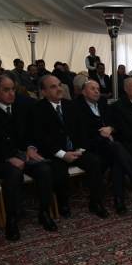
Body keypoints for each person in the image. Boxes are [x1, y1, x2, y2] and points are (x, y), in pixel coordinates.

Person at [0, 75, 57, 240]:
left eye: (13, 89)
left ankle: (44, 212)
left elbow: (33, 131)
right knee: (13, 174)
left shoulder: (23, 104)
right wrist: (8, 157)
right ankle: (12, 219)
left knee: (44, 169)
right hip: (0, 157)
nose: (11, 93)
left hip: (23, 152)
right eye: (6, 90)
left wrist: (30, 147)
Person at [74, 80, 132, 214]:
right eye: (92, 89)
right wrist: (102, 134)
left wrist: (111, 128)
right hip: (90, 146)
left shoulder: (102, 103)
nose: (97, 91)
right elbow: (81, 133)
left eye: (98, 89)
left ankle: (119, 201)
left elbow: (114, 124)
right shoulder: (77, 107)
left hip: (107, 146)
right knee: (117, 149)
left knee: (117, 160)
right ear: (83, 92)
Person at [31, 75, 108, 219]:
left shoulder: (70, 105)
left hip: (76, 150)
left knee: (95, 162)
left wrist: (80, 150)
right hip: (55, 153)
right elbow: (41, 139)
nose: (59, 89)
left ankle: (96, 202)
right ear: (44, 92)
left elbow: (81, 131)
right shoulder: (38, 109)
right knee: (58, 170)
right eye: (53, 87)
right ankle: (63, 204)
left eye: (59, 85)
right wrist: (62, 154)